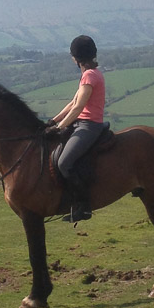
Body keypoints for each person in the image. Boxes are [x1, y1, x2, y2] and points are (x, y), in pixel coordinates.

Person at [51, 35, 106, 222]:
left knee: (64, 162)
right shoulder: (88, 75)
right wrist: (53, 121)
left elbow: (78, 107)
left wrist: (60, 126)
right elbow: (72, 103)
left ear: (77, 57)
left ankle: (83, 206)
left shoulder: (90, 76)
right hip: (80, 123)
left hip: (89, 126)